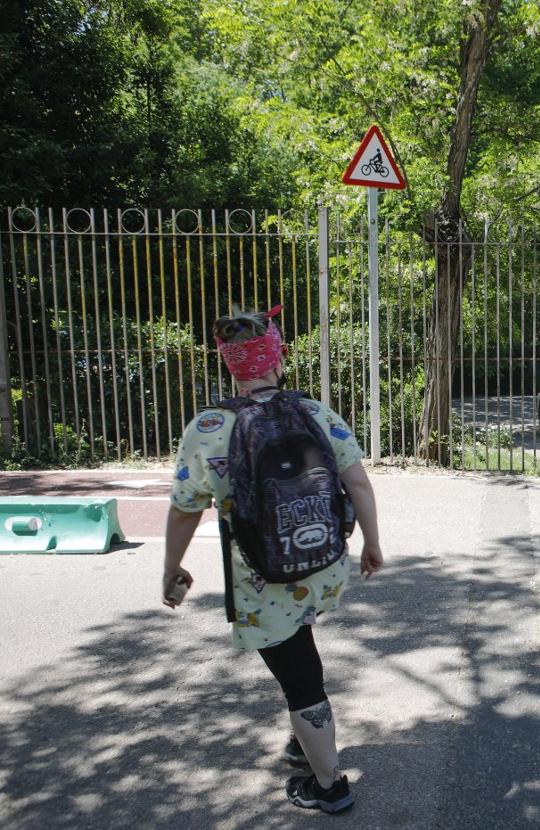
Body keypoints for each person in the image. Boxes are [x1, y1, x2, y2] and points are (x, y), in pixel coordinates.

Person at [161, 305, 383, 814]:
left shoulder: (210, 426)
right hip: (323, 563)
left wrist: (172, 567)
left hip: (262, 579)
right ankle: (302, 742)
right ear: (277, 358)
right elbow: (358, 483)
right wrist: (372, 543)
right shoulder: (314, 412)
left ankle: (329, 784)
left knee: (300, 676)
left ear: (229, 364)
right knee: (299, 639)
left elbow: (182, 510)